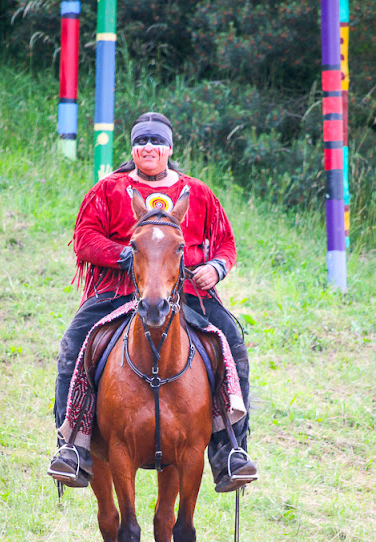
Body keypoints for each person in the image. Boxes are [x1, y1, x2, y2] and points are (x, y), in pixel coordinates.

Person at [48, 112, 257, 492]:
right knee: (73, 345)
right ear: (132, 148)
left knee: (234, 346)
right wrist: (125, 256)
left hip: (189, 292)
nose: (148, 148)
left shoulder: (199, 192)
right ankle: (72, 448)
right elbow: (84, 240)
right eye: (141, 141)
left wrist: (216, 267)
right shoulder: (107, 190)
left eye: (156, 142)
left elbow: (226, 243)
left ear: (169, 149)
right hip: (116, 291)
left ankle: (231, 451)